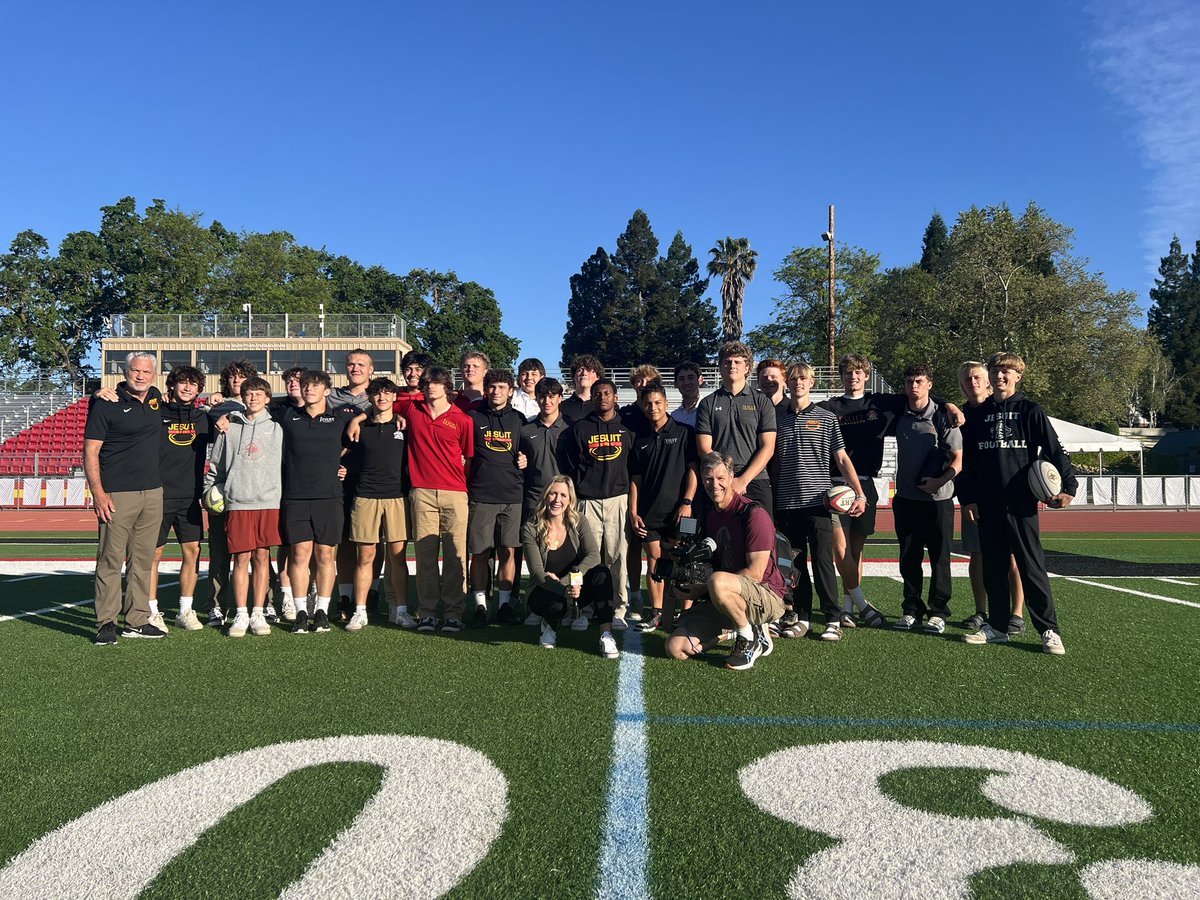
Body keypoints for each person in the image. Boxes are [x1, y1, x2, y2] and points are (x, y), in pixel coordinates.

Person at [819, 353, 961, 627]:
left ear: (866, 376)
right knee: (840, 549)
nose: (853, 377)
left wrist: (951, 405)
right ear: (841, 377)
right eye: (848, 372)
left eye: (858, 372)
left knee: (856, 551)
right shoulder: (830, 406)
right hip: (836, 484)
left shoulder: (883, 403)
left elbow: (921, 396)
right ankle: (860, 602)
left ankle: (848, 607)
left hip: (867, 484)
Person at [958, 352, 1076, 654]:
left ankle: (1049, 630)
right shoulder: (977, 414)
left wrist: (1069, 486)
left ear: (1018, 376)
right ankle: (997, 627)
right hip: (987, 503)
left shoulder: (1030, 410)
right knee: (994, 568)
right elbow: (966, 461)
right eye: (995, 371)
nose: (1000, 376)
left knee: (1031, 567)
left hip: (1021, 503)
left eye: (1006, 371)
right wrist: (968, 497)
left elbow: (1054, 449)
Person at [769, 362, 868, 642]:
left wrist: (859, 492)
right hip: (787, 503)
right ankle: (802, 617)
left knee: (823, 561)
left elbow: (842, 459)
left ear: (812, 383)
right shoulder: (778, 419)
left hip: (819, 503)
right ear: (787, 383)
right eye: (794, 378)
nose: (798, 382)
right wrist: (774, 500)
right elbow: (775, 464)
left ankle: (833, 618)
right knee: (795, 565)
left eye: (804, 378)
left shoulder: (826, 418)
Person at [664, 452, 785, 670]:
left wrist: (706, 587)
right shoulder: (710, 516)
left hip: (766, 595)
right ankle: (738, 630)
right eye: (709, 479)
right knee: (675, 648)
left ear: (731, 477)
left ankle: (748, 638)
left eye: (720, 478)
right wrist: (691, 585)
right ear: (702, 480)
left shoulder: (753, 513)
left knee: (718, 581)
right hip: (726, 595)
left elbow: (755, 573)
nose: (715, 484)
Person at [84, 351, 167, 644]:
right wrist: (98, 493)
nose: (141, 376)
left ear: (154, 375)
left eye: (146, 371)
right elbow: (90, 452)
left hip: (153, 492)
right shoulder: (106, 404)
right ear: (126, 371)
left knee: (143, 560)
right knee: (110, 559)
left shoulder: (156, 398)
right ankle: (106, 622)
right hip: (117, 493)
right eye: (136, 371)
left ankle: (136, 619)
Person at [276, 369, 355, 634]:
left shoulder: (340, 417)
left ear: (327, 391)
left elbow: (371, 416)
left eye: (315, 385)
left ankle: (321, 610)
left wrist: (359, 420)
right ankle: (300, 611)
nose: (309, 389)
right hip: (295, 496)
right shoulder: (288, 415)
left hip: (329, 497)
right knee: (299, 555)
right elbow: (253, 403)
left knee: (325, 555)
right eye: (306, 385)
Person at [203, 377, 284, 637]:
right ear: (243, 397)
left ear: (267, 398)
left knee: (262, 557)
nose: (253, 398)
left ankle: (258, 612)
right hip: (237, 502)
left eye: (259, 394)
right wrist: (209, 490)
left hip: (268, 501)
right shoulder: (229, 427)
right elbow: (215, 466)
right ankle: (240, 613)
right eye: (249, 393)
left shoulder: (277, 427)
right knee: (241, 558)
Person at [397, 366, 474, 633]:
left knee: (455, 555)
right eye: (428, 382)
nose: (431, 386)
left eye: (437, 383)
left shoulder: (462, 419)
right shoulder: (411, 410)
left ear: (447, 387)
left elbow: (468, 458)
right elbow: (380, 404)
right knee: (425, 556)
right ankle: (427, 612)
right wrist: (357, 419)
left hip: (455, 492)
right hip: (422, 491)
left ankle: (454, 613)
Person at [890, 363, 963, 635]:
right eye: (909, 381)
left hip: (939, 501)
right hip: (907, 499)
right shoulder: (900, 413)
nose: (914, 386)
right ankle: (911, 608)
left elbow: (958, 460)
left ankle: (939, 611)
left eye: (919, 381)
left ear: (930, 384)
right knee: (908, 557)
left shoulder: (944, 416)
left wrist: (939, 482)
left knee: (939, 558)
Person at [957, 361, 1025, 634]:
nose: (972, 382)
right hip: (976, 497)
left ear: (987, 382)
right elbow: (962, 462)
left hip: (1009, 497)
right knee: (977, 555)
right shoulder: (960, 417)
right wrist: (967, 498)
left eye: (976, 377)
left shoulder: (1005, 411)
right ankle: (980, 611)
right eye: (966, 379)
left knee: (1012, 557)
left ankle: (1016, 613)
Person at [521, 476, 617, 658]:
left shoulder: (579, 520)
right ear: (545, 496)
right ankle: (549, 625)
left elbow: (593, 555)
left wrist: (570, 582)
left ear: (570, 500)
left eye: (563, 495)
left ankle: (606, 634)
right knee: (556, 604)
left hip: (574, 587)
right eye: (553, 494)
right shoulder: (530, 527)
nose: (557, 500)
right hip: (545, 589)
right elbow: (537, 573)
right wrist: (562, 589)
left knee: (602, 572)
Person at [343, 377, 411, 631]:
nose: (382, 398)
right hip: (365, 497)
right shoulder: (359, 428)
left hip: (396, 497)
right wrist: (358, 419)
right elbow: (342, 455)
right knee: (365, 556)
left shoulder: (405, 426)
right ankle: (359, 611)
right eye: (377, 394)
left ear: (394, 397)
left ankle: (400, 610)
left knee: (397, 557)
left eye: (387, 393)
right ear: (370, 398)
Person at [629, 382, 698, 632]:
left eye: (658, 402)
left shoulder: (685, 432)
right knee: (655, 563)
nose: (653, 407)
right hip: (650, 513)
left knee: (684, 564)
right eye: (648, 403)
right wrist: (633, 511)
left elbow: (693, 470)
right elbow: (635, 480)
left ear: (667, 405)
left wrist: (687, 502)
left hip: (683, 512)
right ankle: (657, 612)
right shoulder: (640, 440)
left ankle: (686, 614)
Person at [567, 378, 633, 629]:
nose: (602, 397)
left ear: (615, 397)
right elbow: (572, 464)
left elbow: (632, 465)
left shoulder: (627, 428)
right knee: (586, 556)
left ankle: (618, 608)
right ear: (592, 398)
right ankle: (584, 608)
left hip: (618, 500)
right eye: (597, 394)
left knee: (618, 557)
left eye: (607, 393)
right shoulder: (580, 428)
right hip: (588, 500)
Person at [466, 369, 527, 626]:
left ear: (511, 391)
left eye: (502, 387)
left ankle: (504, 604)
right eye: (492, 387)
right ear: (485, 389)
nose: (496, 392)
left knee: (509, 551)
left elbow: (527, 451)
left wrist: (526, 459)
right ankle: (480, 605)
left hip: (512, 495)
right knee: (479, 553)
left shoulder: (520, 420)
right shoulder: (473, 417)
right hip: (481, 493)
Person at [153, 365, 211, 632]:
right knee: (153, 555)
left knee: (193, 552)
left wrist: (220, 401)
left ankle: (186, 610)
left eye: (193, 384)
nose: (188, 388)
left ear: (199, 388)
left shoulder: (202, 417)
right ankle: (151, 610)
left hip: (190, 498)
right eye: (183, 383)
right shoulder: (156, 413)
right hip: (158, 496)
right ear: (172, 386)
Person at [204, 358, 260, 627]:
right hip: (222, 486)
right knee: (219, 550)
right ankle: (217, 605)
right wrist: (210, 400)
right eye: (232, 377)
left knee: (258, 551)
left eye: (242, 376)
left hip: (252, 487)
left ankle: (265, 604)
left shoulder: (260, 408)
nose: (237, 381)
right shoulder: (216, 408)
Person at [695, 341, 777, 514]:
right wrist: (725, 478)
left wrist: (743, 480)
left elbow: (768, 447)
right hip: (719, 481)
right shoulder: (707, 403)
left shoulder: (762, 402)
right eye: (727, 362)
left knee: (761, 537)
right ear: (720, 367)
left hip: (755, 479)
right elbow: (704, 447)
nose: (732, 365)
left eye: (737, 362)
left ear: (747, 368)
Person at [518, 377, 571, 625]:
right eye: (542, 396)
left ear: (560, 398)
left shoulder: (570, 430)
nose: (547, 400)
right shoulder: (526, 430)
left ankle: (570, 605)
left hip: (563, 503)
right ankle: (535, 605)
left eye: (552, 396)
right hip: (534, 499)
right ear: (536, 398)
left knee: (565, 553)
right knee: (536, 556)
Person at [331, 349, 376, 620]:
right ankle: (345, 596)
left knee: (373, 542)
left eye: (361, 364)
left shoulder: (382, 396)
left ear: (371, 370)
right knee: (346, 540)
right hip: (341, 477)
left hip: (373, 477)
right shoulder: (332, 396)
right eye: (351, 364)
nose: (355, 368)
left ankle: (373, 591)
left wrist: (361, 417)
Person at [561, 354, 603, 424]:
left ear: (598, 377)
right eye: (580, 370)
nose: (584, 373)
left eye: (589, 370)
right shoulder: (561, 407)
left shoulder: (603, 405)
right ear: (573, 376)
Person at [670, 362, 705, 428]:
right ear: (676, 383)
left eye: (690, 378)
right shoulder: (674, 416)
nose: (686, 382)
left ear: (700, 380)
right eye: (681, 379)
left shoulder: (710, 411)